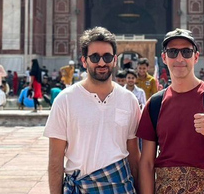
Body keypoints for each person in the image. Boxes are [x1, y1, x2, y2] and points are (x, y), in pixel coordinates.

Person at [138, 28, 204, 194]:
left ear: (195, 57)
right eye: (173, 52)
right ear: (164, 58)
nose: (180, 58)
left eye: (186, 52)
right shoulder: (155, 104)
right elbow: (147, 163)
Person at [44, 27, 140, 194]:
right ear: (84, 61)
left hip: (120, 186)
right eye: (95, 57)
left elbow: (134, 156)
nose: (101, 63)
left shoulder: (128, 100)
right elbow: (55, 160)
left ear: (115, 60)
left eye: (107, 57)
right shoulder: (65, 100)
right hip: (81, 187)